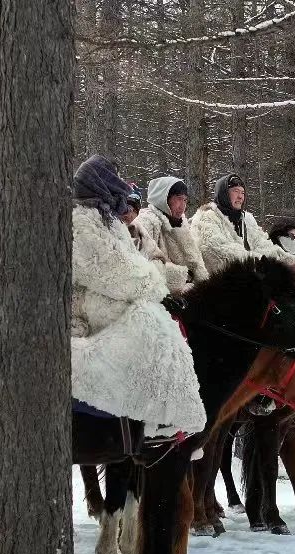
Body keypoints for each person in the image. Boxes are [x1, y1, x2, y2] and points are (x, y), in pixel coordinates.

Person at [70, 154, 206, 438]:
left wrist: (161, 281)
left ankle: (164, 414)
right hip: (85, 306)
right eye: (113, 179)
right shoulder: (80, 221)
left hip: (123, 292)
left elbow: (141, 258)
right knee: (151, 325)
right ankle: (157, 415)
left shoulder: (107, 220)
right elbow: (111, 270)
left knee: (161, 323)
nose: (120, 187)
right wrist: (158, 289)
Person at [191, 173, 295, 274]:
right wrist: (260, 262)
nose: (240, 197)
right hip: (216, 282)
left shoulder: (246, 219)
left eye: (242, 193)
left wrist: (291, 261)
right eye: (236, 191)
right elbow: (218, 253)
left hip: (247, 277)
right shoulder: (206, 218)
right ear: (224, 193)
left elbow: (263, 245)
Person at [133, 176, 209, 295]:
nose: (182, 205)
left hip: (189, 294)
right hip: (158, 298)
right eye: (178, 198)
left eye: (185, 200)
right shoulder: (146, 222)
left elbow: (195, 264)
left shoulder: (182, 225)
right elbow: (143, 265)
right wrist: (184, 276)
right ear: (164, 198)